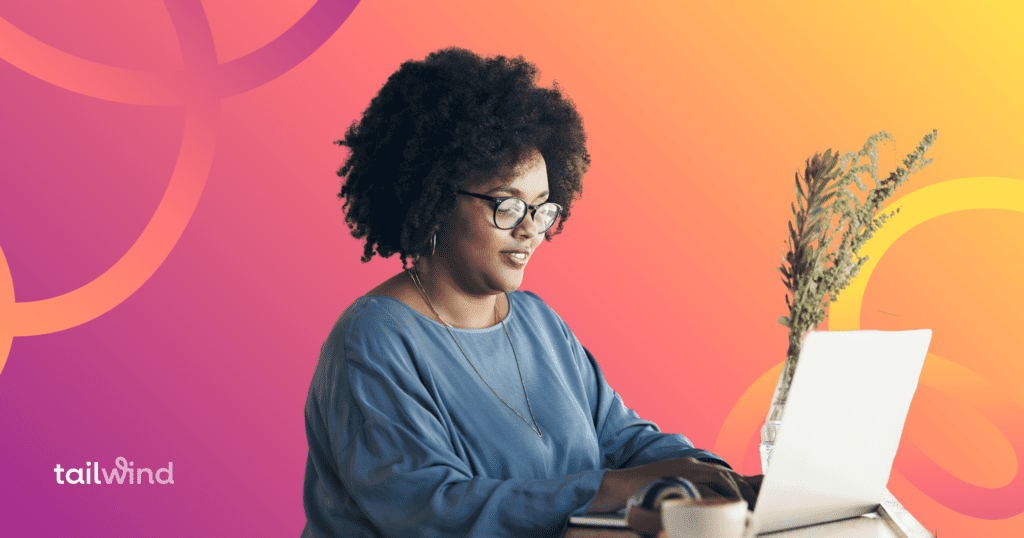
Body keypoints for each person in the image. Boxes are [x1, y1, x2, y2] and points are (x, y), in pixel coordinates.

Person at [301, 47, 761, 538]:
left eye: (542, 209)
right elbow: (433, 510)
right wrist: (612, 489)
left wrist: (722, 478)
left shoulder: (538, 323)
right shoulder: (372, 340)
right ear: (432, 199)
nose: (529, 231)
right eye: (506, 205)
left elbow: (625, 442)